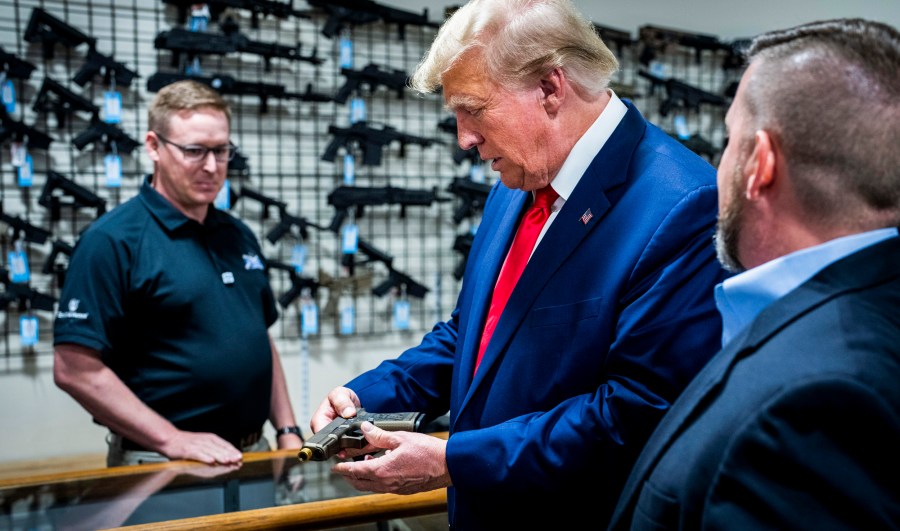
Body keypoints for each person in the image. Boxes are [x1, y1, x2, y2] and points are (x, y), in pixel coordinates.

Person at [308, 0, 730, 528]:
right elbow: (476, 334)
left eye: (475, 109)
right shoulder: (518, 184)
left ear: (551, 88)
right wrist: (366, 395)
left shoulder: (679, 203)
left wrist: (452, 461)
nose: (464, 138)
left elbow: (639, 410)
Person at [608, 18, 900, 530]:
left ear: (759, 163)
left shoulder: (816, 402)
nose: (717, 166)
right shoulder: (868, 319)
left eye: (728, 142)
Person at [53, 80, 304, 467]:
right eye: (194, 151)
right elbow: (73, 369)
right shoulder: (112, 240)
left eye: (221, 151)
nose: (210, 166)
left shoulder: (238, 234)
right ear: (153, 146)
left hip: (254, 454)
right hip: (162, 461)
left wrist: (287, 430)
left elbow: (259, 339)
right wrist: (171, 439)